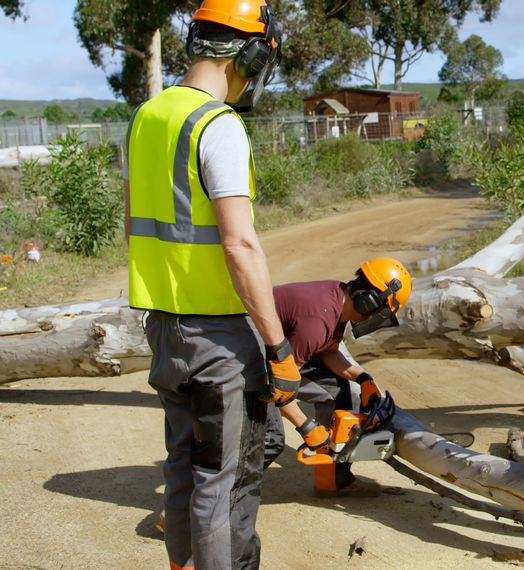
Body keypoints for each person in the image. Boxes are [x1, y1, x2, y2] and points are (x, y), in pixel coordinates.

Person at [125, 1, 295, 568]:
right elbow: (239, 244)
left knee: (180, 469)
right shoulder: (218, 125)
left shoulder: (148, 117)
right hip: (218, 343)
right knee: (223, 484)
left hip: (163, 330)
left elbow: (134, 220)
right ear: (251, 53)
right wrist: (277, 345)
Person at [262, 257, 410, 496]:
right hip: (252, 358)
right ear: (368, 301)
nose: (375, 318)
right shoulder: (318, 319)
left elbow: (327, 352)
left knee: (340, 393)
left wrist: (361, 378)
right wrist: (307, 427)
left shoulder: (336, 299)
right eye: (379, 311)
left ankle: (334, 481)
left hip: (281, 354)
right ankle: (228, 498)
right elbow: (280, 385)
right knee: (270, 439)